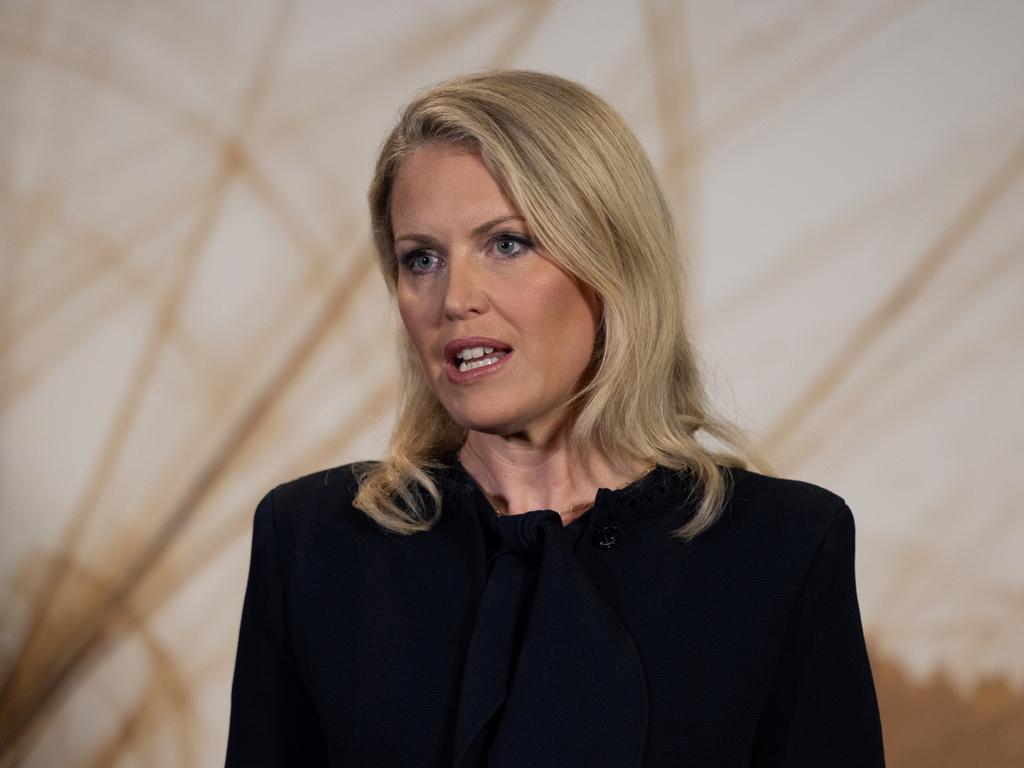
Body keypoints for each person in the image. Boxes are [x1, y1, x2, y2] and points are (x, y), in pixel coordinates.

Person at [225, 70, 885, 767]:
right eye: (421, 258)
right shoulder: (313, 540)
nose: (454, 298)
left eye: (506, 243)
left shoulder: (783, 548)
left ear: (611, 260)